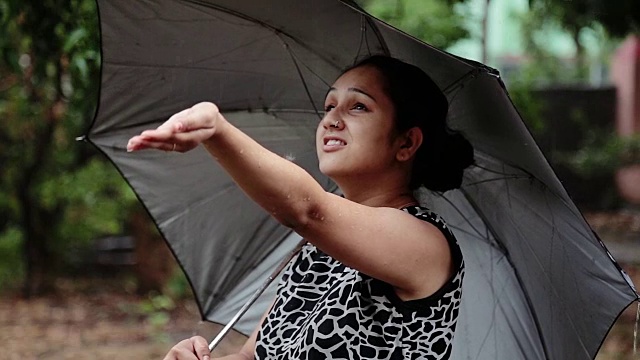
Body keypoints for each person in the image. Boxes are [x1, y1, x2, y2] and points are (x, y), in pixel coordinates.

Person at [127, 55, 473, 360]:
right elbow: (254, 356)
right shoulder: (315, 249)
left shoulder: (424, 242)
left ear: (406, 142)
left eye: (358, 107)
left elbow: (308, 211)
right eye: (329, 106)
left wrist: (217, 130)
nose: (332, 120)